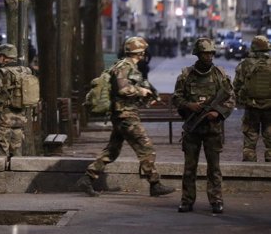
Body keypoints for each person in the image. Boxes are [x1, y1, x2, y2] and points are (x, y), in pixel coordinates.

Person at [77, 36, 174, 197]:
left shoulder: (128, 66)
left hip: (123, 114)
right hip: (125, 115)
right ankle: (155, 184)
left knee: (112, 151)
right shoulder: (124, 67)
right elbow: (122, 89)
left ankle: (87, 179)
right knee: (146, 146)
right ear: (140, 52)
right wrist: (140, 91)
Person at [173, 37, 234, 214]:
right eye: (204, 53)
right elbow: (176, 98)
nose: (208, 56)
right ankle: (187, 200)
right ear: (197, 54)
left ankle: (216, 200)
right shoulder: (186, 75)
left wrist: (218, 113)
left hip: (212, 129)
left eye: (210, 53)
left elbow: (230, 98)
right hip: (193, 128)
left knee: (214, 168)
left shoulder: (220, 75)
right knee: (189, 168)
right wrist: (188, 105)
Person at [233, 35, 271, 162]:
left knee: (250, 139)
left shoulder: (245, 64)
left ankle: (249, 166)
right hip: (270, 108)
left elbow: (236, 85)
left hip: (251, 107)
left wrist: (239, 100)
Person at [0, 44, 29, 158]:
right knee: (16, 156)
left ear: (7, 57)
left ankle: (1, 176)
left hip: (3, 120)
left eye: (0, 56)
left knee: (0, 156)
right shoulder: (25, 72)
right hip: (20, 118)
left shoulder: (0, 74)